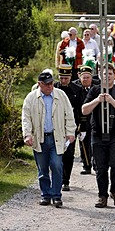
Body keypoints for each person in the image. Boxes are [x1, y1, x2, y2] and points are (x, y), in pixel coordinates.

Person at [22, 71, 76, 208]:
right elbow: (26, 118)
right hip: (40, 139)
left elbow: (69, 114)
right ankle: (45, 195)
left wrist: (70, 132)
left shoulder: (61, 95)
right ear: (39, 84)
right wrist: (27, 134)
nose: (50, 86)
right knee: (43, 169)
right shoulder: (31, 98)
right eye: (47, 84)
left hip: (56, 137)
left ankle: (56, 195)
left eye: (51, 83)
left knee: (57, 165)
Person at [82, 63, 115, 208]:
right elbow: (84, 110)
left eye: (110, 73)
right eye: (104, 73)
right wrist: (98, 100)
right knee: (100, 166)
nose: (107, 76)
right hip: (98, 134)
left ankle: (114, 190)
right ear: (100, 75)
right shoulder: (94, 90)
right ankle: (102, 195)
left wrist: (111, 101)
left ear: (114, 76)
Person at [54, 64, 81, 191]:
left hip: (70, 126)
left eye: (66, 78)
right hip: (55, 126)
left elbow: (81, 109)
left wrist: (83, 126)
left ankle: (66, 180)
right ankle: (56, 179)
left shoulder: (77, 89)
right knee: (56, 153)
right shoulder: (53, 88)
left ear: (70, 76)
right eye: (61, 77)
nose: (63, 80)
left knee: (69, 154)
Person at [74, 65, 100, 175]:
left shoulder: (97, 87)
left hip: (95, 119)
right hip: (82, 119)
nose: (85, 80)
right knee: (83, 143)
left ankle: (96, 163)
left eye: (87, 77)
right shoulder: (76, 87)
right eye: (83, 78)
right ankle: (86, 165)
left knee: (95, 143)